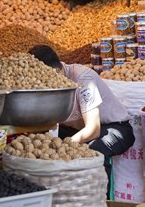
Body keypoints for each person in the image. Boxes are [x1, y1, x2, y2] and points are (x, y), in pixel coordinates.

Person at [29, 45, 135, 196]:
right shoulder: (43, 84)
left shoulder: (83, 78)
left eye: (42, 78)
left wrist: (63, 147)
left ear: (55, 72)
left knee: (91, 154)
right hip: (76, 129)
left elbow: (93, 129)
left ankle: (101, 204)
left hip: (113, 128)